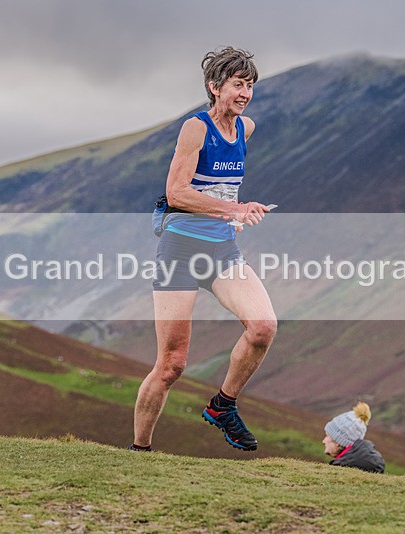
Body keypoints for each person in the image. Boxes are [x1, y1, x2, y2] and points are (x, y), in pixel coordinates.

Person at [132, 47, 275, 452]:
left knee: (263, 327)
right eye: (237, 84)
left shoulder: (245, 129)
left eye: (249, 85)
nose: (244, 93)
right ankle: (139, 450)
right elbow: (176, 192)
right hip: (180, 251)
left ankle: (223, 406)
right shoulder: (195, 129)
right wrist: (234, 208)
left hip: (222, 250)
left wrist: (238, 212)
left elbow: (224, 190)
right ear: (215, 87)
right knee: (171, 365)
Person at [323, 402, 385, 473]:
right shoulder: (362, 464)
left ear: (338, 441)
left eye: (327, 436)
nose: (323, 441)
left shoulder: (343, 470)